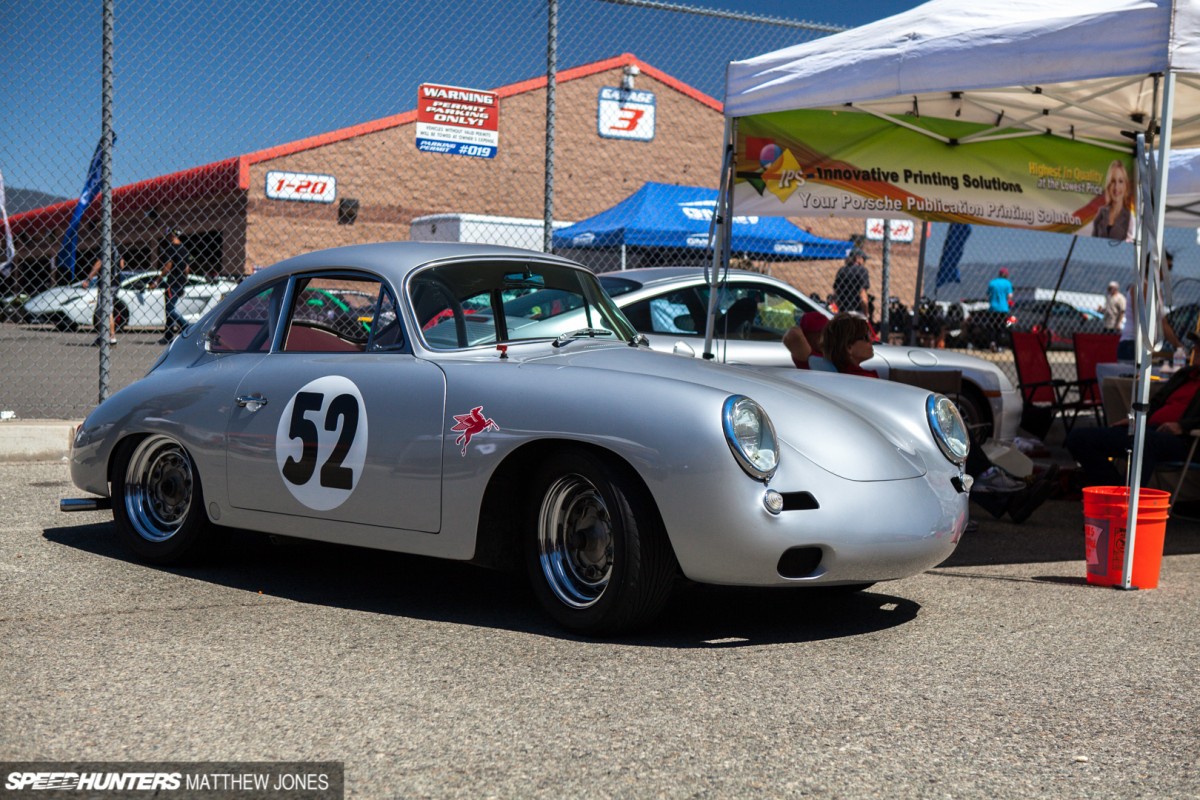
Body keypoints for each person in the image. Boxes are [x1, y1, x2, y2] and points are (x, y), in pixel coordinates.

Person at [820, 312, 1057, 522]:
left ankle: (1011, 497)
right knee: (952, 437)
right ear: (849, 347)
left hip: (892, 432)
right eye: (864, 337)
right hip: (892, 437)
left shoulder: (859, 374)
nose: (871, 340)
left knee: (954, 435)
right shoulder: (857, 379)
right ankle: (1006, 485)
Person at [1066, 364, 1200, 486]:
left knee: (1143, 442)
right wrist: (1137, 418)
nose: (1196, 351)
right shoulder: (1185, 374)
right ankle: (1114, 490)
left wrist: (1183, 426)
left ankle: (1126, 499)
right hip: (1149, 429)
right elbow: (1156, 401)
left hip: (1184, 439)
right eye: (1196, 348)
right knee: (1079, 438)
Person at [150, 229, 190, 344]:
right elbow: (187, 268)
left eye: (168, 235)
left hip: (172, 283)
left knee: (169, 309)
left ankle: (186, 326)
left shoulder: (171, 248)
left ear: (172, 235)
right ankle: (168, 336)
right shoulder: (184, 250)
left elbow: (168, 266)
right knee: (169, 309)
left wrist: (157, 281)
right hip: (181, 282)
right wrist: (184, 282)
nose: (167, 237)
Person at [82, 248, 124, 346]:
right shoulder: (117, 249)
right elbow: (122, 264)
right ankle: (106, 335)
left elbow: (98, 264)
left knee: (105, 309)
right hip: (115, 283)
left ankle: (110, 336)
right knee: (107, 308)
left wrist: (88, 279)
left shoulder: (104, 247)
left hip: (106, 284)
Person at [1092, 159, 1132, 241]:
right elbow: (1092, 240)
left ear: (1126, 186)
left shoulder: (1130, 217)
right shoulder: (1101, 213)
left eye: (1120, 181)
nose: (1116, 187)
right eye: (1113, 181)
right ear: (1109, 186)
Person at [832, 248, 870, 317]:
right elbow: (862, 295)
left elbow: (836, 294)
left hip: (842, 312)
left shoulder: (841, 271)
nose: (864, 262)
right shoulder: (862, 270)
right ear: (858, 259)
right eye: (864, 259)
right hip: (857, 312)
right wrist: (866, 313)